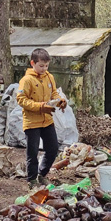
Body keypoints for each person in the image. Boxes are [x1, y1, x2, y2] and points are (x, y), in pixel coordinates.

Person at [16, 48, 66, 189]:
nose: (44, 69)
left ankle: (41, 174)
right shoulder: (26, 80)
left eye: (46, 66)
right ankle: (31, 181)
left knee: (53, 148)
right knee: (32, 152)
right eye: (41, 66)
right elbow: (21, 100)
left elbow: (54, 93)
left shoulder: (49, 77)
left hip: (47, 120)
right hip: (32, 122)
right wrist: (40, 106)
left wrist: (60, 101)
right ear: (33, 63)